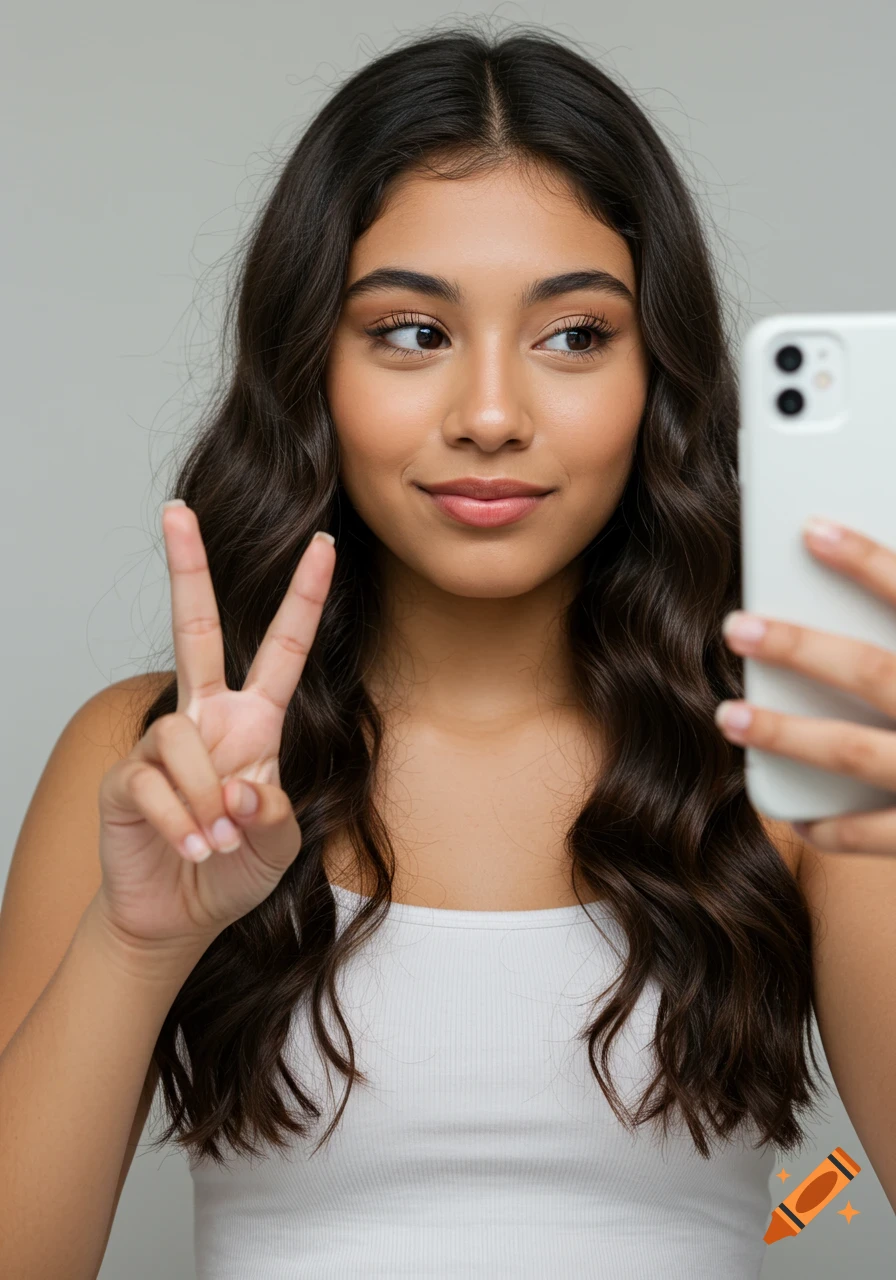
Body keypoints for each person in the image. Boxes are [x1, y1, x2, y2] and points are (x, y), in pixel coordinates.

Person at [2, 18, 893, 1280]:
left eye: (574, 334)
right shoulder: (146, 757)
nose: (488, 415)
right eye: (411, 332)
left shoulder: (795, 755)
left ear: (658, 376)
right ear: (311, 364)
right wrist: (139, 940)